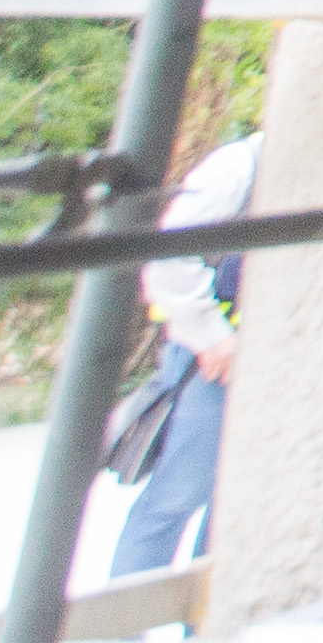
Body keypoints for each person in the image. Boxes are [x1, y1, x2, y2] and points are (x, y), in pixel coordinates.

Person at [105, 125, 257, 578]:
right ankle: (123, 635)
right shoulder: (239, 168)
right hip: (213, 363)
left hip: (261, 361)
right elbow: (168, 257)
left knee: (235, 508)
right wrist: (212, 336)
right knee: (176, 497)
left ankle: (207, 638)